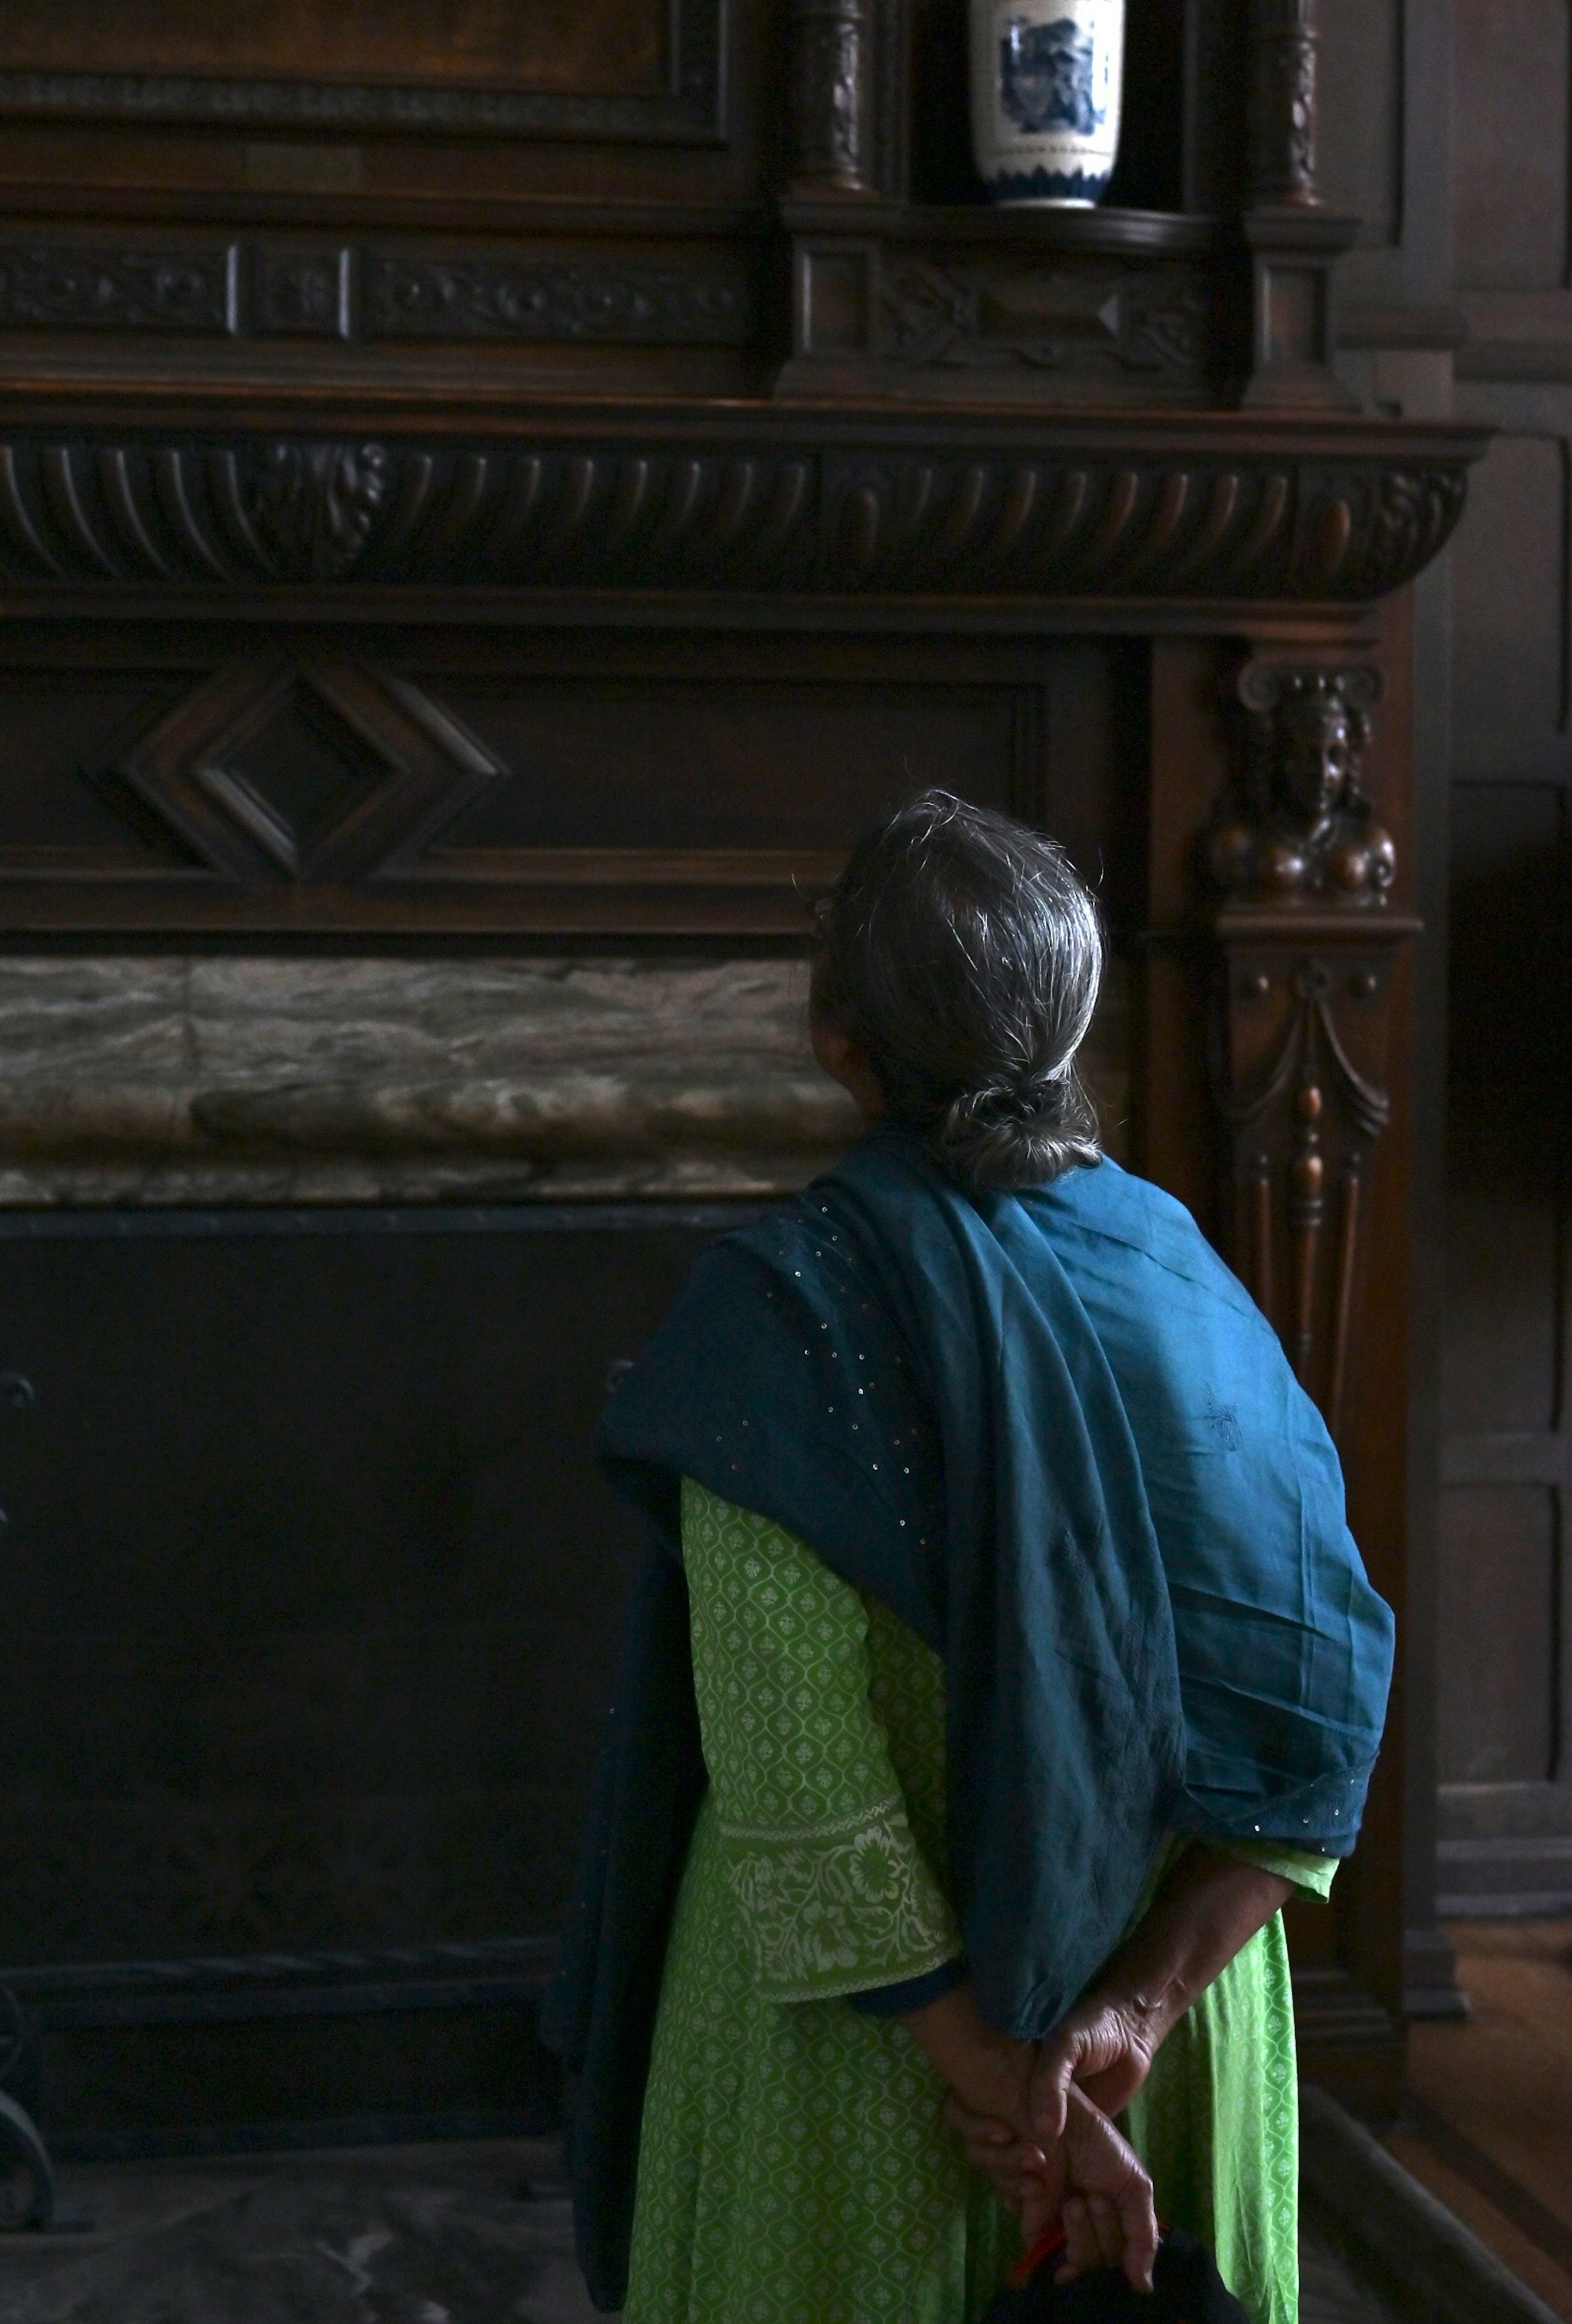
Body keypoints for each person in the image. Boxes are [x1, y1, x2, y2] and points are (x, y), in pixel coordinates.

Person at [545, 792, 1394, 2324]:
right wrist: (1130, 2016)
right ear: (1068, 1032)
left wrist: (1011, 2093)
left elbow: (796, 1771)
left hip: (867, 2068)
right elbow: (1314, 1726)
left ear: (837, 1041)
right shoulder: (1196, 1292)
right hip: (1166, 2037)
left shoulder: (784, 1323)